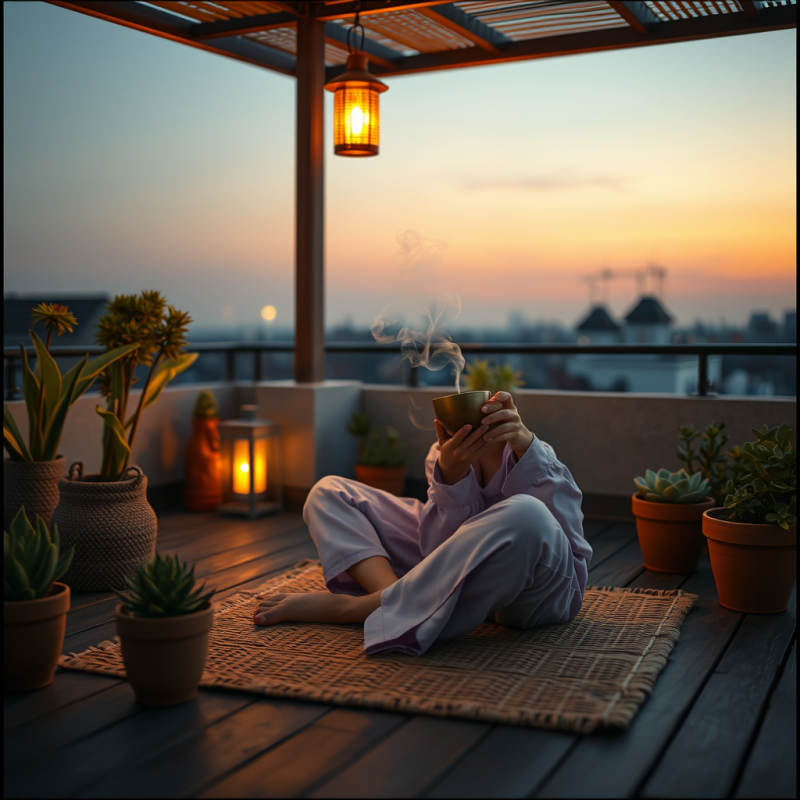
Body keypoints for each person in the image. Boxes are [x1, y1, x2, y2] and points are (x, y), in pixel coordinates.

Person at [253, 391, 592, 655]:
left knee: (527, 514)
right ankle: (388, 595)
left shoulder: (536, 457)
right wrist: (452, 474)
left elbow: (569, 548)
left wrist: (524, 442)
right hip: (445, 572)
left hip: (533, 594)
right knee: (328, 491)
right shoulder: (442, 455)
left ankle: (354, 608)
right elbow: (437, 551)